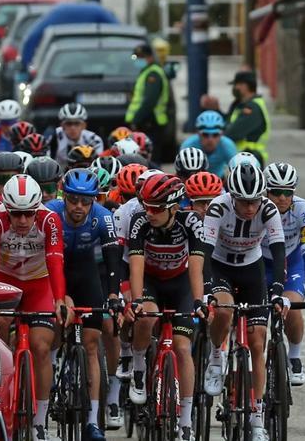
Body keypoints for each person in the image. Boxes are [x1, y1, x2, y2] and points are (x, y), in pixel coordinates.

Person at [201, 163, 287, 441]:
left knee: (258, 341)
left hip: (252, 268)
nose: (250, 208)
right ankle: (215, 356)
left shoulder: (269, 209)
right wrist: (204, 289)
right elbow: (203, 251)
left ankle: (257, 418)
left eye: (255, 201)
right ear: (231, 196)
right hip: (220, 266)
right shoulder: (217, 208)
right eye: (243, 201)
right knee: (224, 311)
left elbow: (278, 249)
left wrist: (276, 288)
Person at [0, 174, 69, 441]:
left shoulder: (49, 220)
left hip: (39, 285)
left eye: (28, 214)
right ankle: (3, 400)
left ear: (37, 209)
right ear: (6, 209)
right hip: (5, 283)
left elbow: (55, 261)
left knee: (41, 347)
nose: (22, 221)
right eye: (16, 214)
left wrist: (60, 299)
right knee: (0, 333)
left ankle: (40, 420)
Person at [124, 173, 207, 441]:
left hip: (180, 283)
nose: (149, 212)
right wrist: (136, 301)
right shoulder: (140, 222)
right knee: (145, 317)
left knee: (183, 348)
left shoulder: (190, 221)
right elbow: (136, 266)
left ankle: (185, 422)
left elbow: (196, 266)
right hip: (151, 282)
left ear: (173, 207)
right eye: (146, 205)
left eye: (156, 208)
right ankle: (138, 366)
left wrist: (198, 301)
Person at [46, 168, 121, 440]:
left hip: (87, 275)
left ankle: (93, 421)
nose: (79, 207)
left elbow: (113, 259)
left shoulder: (103, 217)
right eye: (73, 200)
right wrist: (58, 296)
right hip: (54, 272)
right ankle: (52, 368)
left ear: (94, 200)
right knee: (52, 331)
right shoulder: (50, 213)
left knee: (91, 343)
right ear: (63, 196)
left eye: (85, 201)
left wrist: (113, 296)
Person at [260, 162, 305, 387]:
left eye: (288, 192)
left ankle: (294, 356)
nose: (282, 198)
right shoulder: (256, 207)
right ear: (266, 190)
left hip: (291, 264)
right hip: (260, 264)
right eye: (276, 192)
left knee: (293, 307)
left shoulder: (303, 209)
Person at [125, 43, 170, 148]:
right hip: (148, 122)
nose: (138, 60)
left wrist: (136, 120)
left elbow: (150, 101)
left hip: (150, 122)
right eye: (136, 57)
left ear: (150, 57)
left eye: (141, 57)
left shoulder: (153, 74)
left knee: (150, 159)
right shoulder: (147, 72)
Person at [179, 110, 237, 178]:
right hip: (194, 181)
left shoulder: (228, 145)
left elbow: (237, 169)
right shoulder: (188, 145)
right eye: (205, 134)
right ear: (198, 133)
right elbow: (181, 173)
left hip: (219, 180)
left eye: (215, 134)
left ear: (221, 134)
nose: (210, 139)